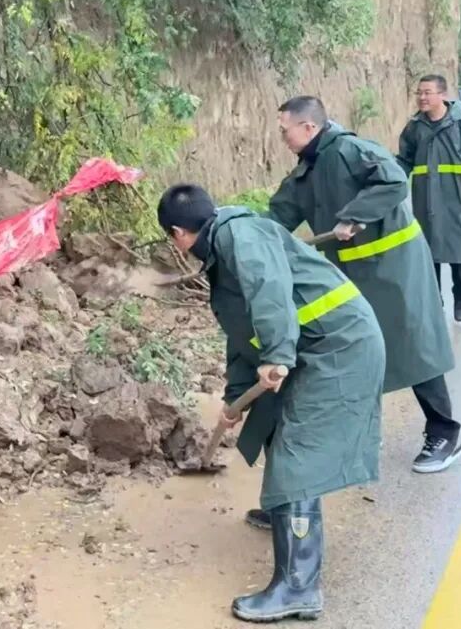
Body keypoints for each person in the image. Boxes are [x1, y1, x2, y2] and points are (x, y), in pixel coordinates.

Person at [158, 185, 384, 624]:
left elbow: (270, 290)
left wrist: (278, 354)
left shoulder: (240, 236)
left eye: (174, 239)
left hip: (339, 345)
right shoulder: (224, 245)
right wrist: (234, 398)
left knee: (298, 451)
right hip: (312, 344)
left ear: (178, 234)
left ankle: (299, 587)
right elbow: (243, 331)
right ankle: (286, 511)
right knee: (275, 426)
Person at [263, 96, 460, 485]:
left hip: (395, 267)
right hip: (352, 275)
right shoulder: (306, 172)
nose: (282, 137)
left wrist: (354, 216)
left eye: (285, 130)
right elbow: (276, 217)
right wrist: (240, 237)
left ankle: (445, 433)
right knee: (359, 351)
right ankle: (361, 437)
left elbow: (393, 180)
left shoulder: (351, 150)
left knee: (414, 346)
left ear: (308, 127)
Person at [397, 74, 461, 322]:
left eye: (427, 92)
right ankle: (435, 301)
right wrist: (390, 185)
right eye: (419, 92)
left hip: (459, 197)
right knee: (427, 252)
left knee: (460, 251)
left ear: (442, 95)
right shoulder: (414, 127)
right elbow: (403, 161)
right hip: (426, 199)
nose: (422, 97)